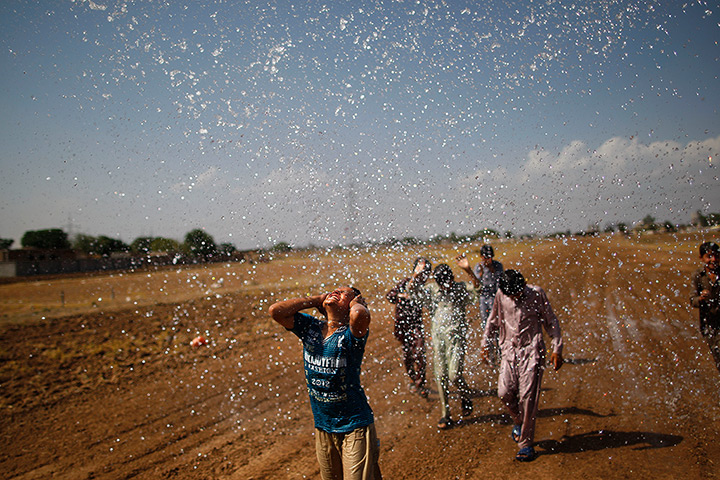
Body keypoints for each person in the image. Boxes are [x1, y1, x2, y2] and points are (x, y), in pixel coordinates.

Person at [268, 286, 382, 480]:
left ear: (353, 304)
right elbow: (275, 311)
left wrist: (357, 303)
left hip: (354, 425)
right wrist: (316, 300)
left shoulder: (351, 335)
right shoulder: (310, 328)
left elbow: (359, 314)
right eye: (333, 290)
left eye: (344, 293)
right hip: (323, 425)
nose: (335, 292)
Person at [481, 269, 563, 462]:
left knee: (528, 398)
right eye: (511, 295)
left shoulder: (536, 294)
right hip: (509, 350)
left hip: (532, 352)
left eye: (517, 294)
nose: (514, 298)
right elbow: (492, 320)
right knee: (504, 392)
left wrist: (557, 349)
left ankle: (526, 444)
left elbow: (551, 321)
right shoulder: (502, 294)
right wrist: (485, 344)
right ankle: (519, 421)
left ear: (523, 286)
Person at [413, 256, 480, 429]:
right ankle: (446, 414)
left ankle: (466, 396)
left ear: (453, 279)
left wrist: (468, 270)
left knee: (454, 374)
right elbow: (413, 293)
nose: (446, 286)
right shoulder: (432, 290)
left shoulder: (459, 289)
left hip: (457, 338)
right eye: (442, 283)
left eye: (448, 282)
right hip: (439, 340)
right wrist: (416, 276)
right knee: (440, 375)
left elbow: (478, 289)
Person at [386, 257, 431, 397]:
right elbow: (389, 295)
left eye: (426, 272)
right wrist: (401, 296)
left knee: (420, 354)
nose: (424, 275)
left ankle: (420, 383)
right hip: (402, 325)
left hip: (416, 325)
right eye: (422, 271)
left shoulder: (425, 288)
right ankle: (413, 380)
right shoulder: (405, 282)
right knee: (408, 356)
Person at [690, 241, 720, 373]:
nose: (713, 259)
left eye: (716, 256)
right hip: (709, 325)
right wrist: (701, 298)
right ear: (701, 258)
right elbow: (692, 300)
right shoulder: (698, 276)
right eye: (709, 256)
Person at [473, 244, 504, 363]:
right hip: (483, 298)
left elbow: (500, 281)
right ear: (481, 257)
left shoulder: (498, 266)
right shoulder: (478, 267)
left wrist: (492, 270)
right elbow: (477, 284)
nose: (487, 259)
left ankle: (500, 351)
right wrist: (480, 275)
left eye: (489, 256)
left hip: (495, 297)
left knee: (497, 324)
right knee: (486, 325)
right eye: (485, 257)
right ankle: (490, 354)